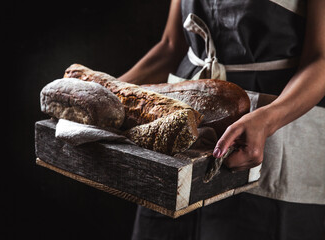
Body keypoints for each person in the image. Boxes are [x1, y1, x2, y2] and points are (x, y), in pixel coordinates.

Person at [118, 0, 325, 239]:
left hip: (272, 138)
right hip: (178, 142)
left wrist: (268, 119)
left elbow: (320, 59)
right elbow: (171, 46)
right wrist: (106, 90)